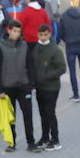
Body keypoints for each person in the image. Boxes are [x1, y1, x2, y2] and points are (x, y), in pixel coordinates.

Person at [0, 20, 38, 153]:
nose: (17, 34)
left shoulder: (25, 46)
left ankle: (31, 142)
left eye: (19, 32)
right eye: (14, 31)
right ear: (9, 31)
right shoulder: (1, 47)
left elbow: (30, 65)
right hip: (8, 86)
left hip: (23, 85)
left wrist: (32, 84)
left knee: (28, 114)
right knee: (10, 116)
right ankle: (11, 142)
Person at [32, 23, 64, 151]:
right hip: (40, 87)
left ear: (49, 34)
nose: (43, 37)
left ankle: (55, 139)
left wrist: (47, 75)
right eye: (40, 35)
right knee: (43, 113)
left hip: (52, 87)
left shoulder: (55, 49)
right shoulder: (36, 47)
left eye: (45, 35)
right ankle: (44, 137)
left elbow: (62, 68)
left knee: (50, 113)